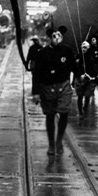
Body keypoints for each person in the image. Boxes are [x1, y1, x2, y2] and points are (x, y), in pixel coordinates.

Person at [30, 26, 75, 155]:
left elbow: (74, 67)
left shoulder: (67, 51)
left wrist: (81, 75)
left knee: (64, 113)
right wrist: (36, 92)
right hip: (47, 87)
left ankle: (59, 140)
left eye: (59, 36)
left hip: (63, 86)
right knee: (50, 115)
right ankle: (51, 144)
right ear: (50, 37)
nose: (56, 38)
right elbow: (36, 74)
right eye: (54, 36)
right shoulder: (42, 53)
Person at [75, 40, 98, 116]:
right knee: (80, 96)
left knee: (87, 96)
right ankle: (80, 112)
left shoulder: (91, 58)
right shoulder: (78, 57)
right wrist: (79, 75)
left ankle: (85, 109)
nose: (84, 49)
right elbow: (75, 69)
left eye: (85, 48)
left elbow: (94, 70)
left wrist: (90, 76)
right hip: (80, 79)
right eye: (83, 47)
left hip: (88, 80)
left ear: (88, 48)